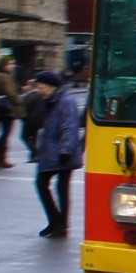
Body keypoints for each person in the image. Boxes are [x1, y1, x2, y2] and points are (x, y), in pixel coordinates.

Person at [31, 69, 84, 238]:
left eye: (41, 87)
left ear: (50, 86)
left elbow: (70, 126)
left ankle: (61, 225)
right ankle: (56, 221)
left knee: (60, 187)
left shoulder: (66, 101)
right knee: (44, 184)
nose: (39, 90)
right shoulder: (51, 100)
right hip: (53, 151)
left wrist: (66, 150)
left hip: (63, 152)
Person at [0, 54, 20, 167]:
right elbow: (11, 93)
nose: (12, 66)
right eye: (10, 63)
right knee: (6, 134)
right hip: (7, 109)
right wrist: (20, 102)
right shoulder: (5, 76)